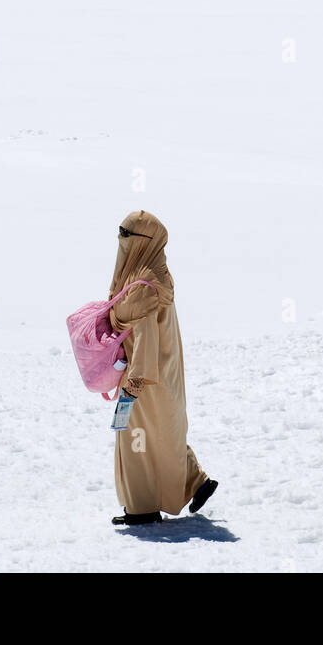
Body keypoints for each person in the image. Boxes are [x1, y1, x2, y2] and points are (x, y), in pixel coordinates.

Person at [108, 209, 218, 525]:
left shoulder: (143, 285)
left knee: (136, 439)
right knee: (162, 433)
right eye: (120, 231)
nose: (121, 239)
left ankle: (142, 508)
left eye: (127, 234)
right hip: (163, 374)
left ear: (146, 241)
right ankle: (194, 481)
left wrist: (136, 381)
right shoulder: (155, 274)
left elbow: (145, 335)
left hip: (144, 377)